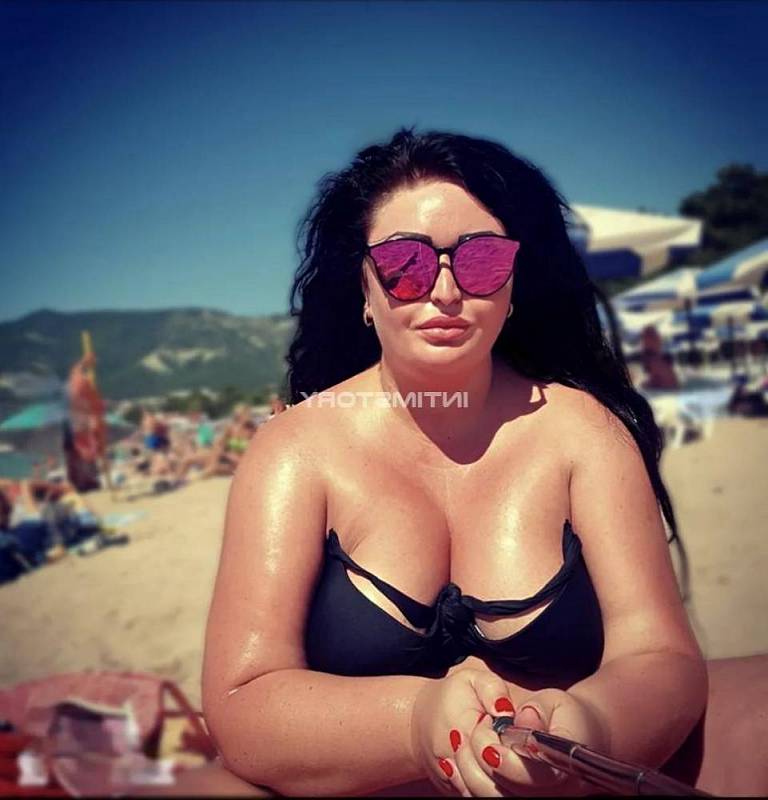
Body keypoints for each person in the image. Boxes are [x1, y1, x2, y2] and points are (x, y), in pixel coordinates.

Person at [198, 129, 768, 797]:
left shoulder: (584, 434)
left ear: (513, 282)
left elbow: (661, 655)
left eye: (481, 260)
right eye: (405, 264)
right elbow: (241, 699)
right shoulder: (295, 451)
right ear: (364, 288)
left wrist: (591, 725)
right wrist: (416, 724)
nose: (444, 291)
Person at [639, 324, 679, 390]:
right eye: (643, 338)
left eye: (650, 337)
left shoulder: (656, 362)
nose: (644, 342)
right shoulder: (653, 360)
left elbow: (670, 383)